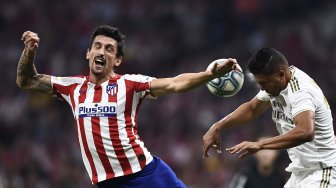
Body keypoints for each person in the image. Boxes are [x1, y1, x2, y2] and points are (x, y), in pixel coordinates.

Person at [16, 25, 241, 188]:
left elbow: (175, 83)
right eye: (97, 46)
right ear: (88, 53)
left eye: (109, 49)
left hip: (146, 175)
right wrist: (29, 52)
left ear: (118, 60)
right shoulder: (71, 87)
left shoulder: (129, 84)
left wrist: (209, 74)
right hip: (106, 183)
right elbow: (26, 80)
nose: (102, 52)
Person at [203, 47, 336, 188]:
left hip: (323, 170)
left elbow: (306, 131)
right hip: (300, 172)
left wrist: (260, 145)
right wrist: (217, 126)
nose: (262, 88)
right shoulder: (277, 83)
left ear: (281, 74)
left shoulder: (300, 92)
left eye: (264, 83)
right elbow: (252, 108)